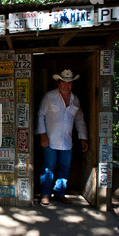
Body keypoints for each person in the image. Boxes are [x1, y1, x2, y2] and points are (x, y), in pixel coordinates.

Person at [36, 69, 88, 206]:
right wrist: (42, 136)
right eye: (64, 83)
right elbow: (41, 115)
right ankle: (45, 194)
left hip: (67, 141)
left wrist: (83, 138)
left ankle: (60, 193)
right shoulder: (49, 97)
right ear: (58, 83)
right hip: (50, 139)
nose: (67, 86)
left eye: (70, 83)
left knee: (65, 167)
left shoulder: (75, 100)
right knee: (49, 166)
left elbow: (79, 120)